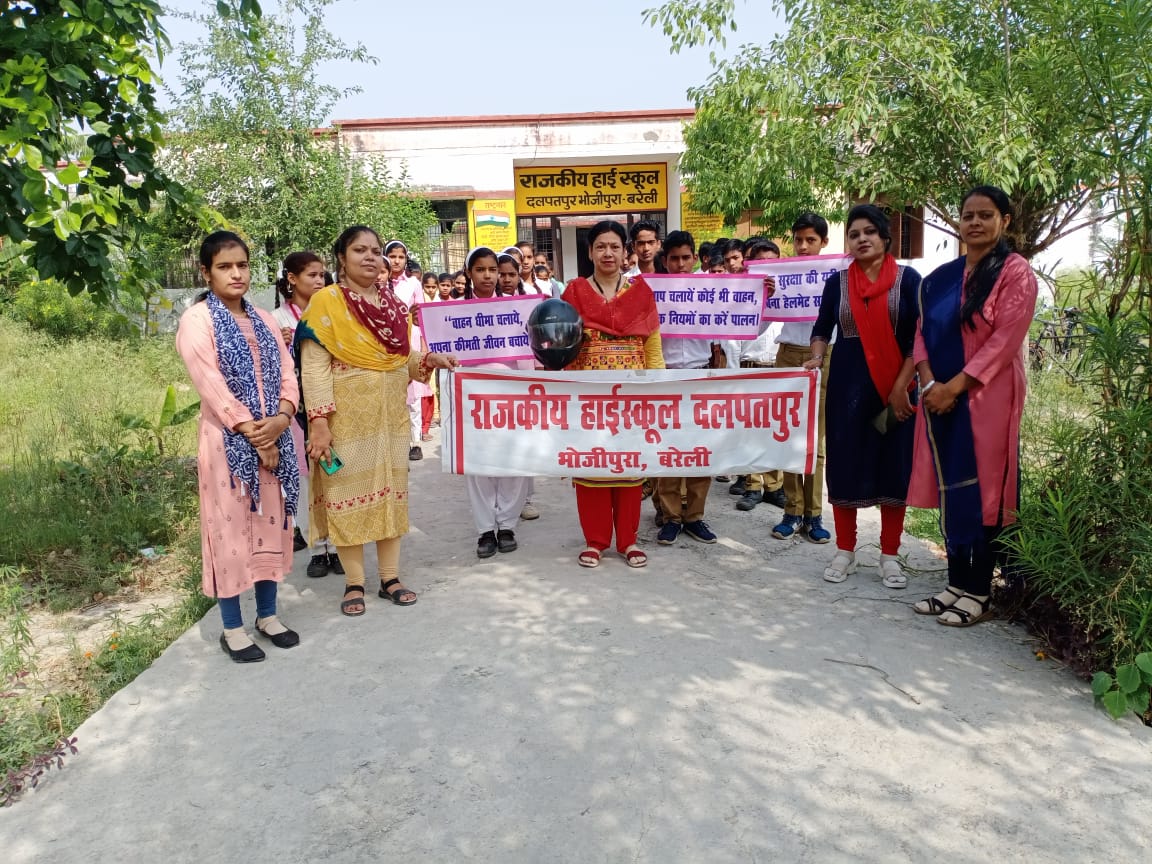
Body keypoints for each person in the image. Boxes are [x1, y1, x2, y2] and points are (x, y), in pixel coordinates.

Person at [298, 226, 457, 616]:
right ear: (342, 258)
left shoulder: (393, 307)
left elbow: (401, 360)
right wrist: (319, 422)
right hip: (345, 420)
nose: (369, 257)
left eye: (375, 250)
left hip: (391, 420)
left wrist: (428, 360)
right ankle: (354, 583)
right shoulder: (325, 303)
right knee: (345, 497)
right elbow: (314, 367)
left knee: (390, 495)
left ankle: (390, 578)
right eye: (359, 250)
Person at [909, 186, 1038, 626]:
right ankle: (955, 583)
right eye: (968, 215)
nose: (975, 222)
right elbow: (921, 333)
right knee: (952, 484)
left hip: (987, 397)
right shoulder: (941, 278)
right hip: (939, 395)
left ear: (1005, 221)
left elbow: (1004, 341)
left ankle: (980, 591)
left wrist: (955, 388)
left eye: (986, 215)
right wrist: (930, 382)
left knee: (985, 491)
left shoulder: (1014, 272)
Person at [175, 231, 301, 663]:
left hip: (275, 435)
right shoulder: (197, 321)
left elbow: (288, 373)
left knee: (270, 525)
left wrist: (281, 419)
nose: (236, 274)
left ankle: (268, 616)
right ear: (206, 272)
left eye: (242, 265)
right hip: (226, 443)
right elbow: (210, 383)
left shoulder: (264, 319)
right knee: (228, 533)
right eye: (224, 266)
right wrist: (254, 433)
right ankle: (232, 628)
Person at [806, 204, 922, 588]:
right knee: (846, 467)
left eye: (869, 232)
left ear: (886, 237)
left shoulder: (908, 281)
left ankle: (890, 555)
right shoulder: (837, 284)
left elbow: (917, 340)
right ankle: (845, 551)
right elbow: (822, 329)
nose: (862, 239)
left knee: (893, 468)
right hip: (847, 389)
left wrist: (900, 388)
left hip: (897, 390)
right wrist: (817, 356)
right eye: (854, 234)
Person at [561, 220, 665, 568]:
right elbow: (561, 347)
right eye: (601, 246)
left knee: (629, 466)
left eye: (615, 247)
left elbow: (652, 346)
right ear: (590, 252)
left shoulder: (641, 293)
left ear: (626, 253)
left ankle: (628, 540)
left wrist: (657, 386)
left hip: (632, 397)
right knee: (592, 465)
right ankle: (595, 541)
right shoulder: (574, 294)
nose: (608, 253)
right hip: (589, 397)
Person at [272, 251, 344, 578]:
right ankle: (317, 547)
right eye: (312, 275)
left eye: (322, 275)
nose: (319, 281)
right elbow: (265, 368)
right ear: (292, 278)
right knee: (303, 477)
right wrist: (279, 344)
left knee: (334, 471)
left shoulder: (332, 314)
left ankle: (340, 544)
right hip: (295, 412)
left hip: (329, 407)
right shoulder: (276, 320)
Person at [462, 248, 535, 556]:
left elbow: (528, 354)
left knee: (511, 462)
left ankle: (506, 525)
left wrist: (530, 393)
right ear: (469, 274)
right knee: (479, 466)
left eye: (492, 269)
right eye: (480, 269)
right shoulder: (454, 314)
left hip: (511, 397)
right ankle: (484, 530)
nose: (488, 275)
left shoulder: (516, 310)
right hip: (473, 399)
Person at [652, 231, 718, 547]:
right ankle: (670, 517)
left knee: (698, 450)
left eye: (685, 258)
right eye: (674, 258)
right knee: (667, 450)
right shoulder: (651, 294)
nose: (680, 264)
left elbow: (741, 327)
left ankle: (694, 517)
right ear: (665, 261)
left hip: (700, 374)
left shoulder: (712, 293)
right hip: (664, 378)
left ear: (695, 259)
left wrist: (762, 300)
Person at [771, 213, 834, 544]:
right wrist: (765, 295)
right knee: (789, 437)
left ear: (824, 242)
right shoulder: (781, 275)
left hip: (826, 355)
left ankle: (814, 514)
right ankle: (792, 512)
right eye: (798, 240)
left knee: (816, 442)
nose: (804, 246)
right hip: (789, 354)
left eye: (811, 240)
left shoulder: (836, 275)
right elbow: (758, 321)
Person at [731, 239, 788, 511]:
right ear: (750, 265)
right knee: (751, 431)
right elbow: (740, 335)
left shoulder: (790, 294)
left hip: (777, 366)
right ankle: (753, 486)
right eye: (761, 262)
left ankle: (775, 487)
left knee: (776, 429)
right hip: (750, 366)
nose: (767, 268)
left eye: (772, 262)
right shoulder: (742, 294)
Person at [383, 240, 434, 458]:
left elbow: (422, 318)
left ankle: (415, 442)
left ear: (406, 259)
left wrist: (423, 350)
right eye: (392, 256)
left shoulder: (413, 284)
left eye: (401, 257)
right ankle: (395, 442)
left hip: (410, 341)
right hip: (386, 344)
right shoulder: (379, 282)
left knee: (413, 393)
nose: (396, 261)